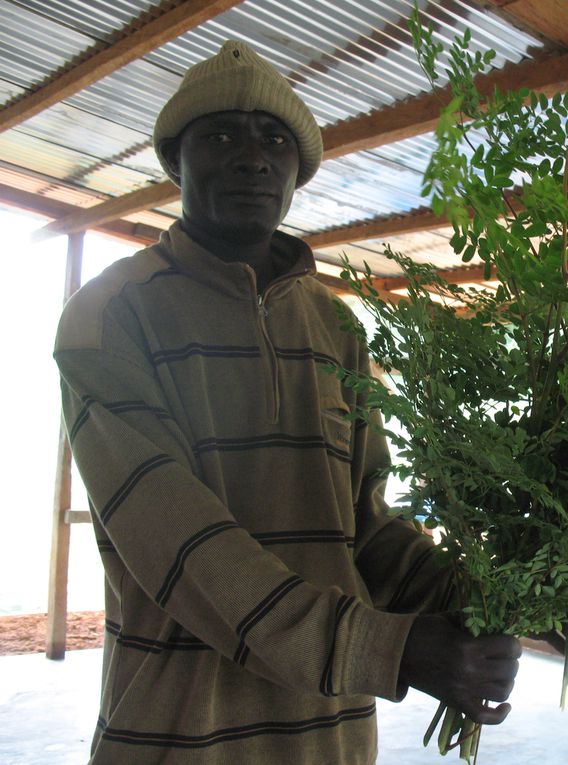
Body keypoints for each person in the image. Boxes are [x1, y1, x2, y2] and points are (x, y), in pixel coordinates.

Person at [54, 40, 526, 764]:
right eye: (220, 136)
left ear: (298, 172)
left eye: (275, 139)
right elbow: (184, 548)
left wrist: (489, 592)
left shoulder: (337, 326)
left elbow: (364, 532)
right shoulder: (112, 315)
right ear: (175, 160)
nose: (253, 157)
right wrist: (392, 652)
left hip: (329, 737)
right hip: (180, 734)